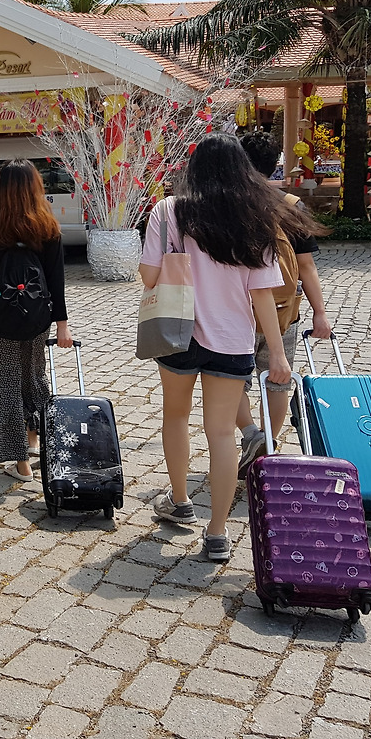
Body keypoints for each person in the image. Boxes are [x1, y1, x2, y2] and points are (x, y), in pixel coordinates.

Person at [138, 135, 319, 561]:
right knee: (221, 433)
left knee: (176, 416)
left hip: (177, 334)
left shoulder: (168, 211)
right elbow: (262, 293)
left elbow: (148, 277)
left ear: (194, 169)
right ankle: (217, 534)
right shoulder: (255, 216)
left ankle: (180, 500)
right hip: (233, 339)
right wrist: (278, 354)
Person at [0, 160, 72, 482]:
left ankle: (21, 462)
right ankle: (36, 442)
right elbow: (56, 279)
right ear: (35, 187)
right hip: (38, 317)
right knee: (33, 377)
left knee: (2, 382)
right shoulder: (47, 227)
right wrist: (62, 324)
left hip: (0, 317)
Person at [235, 131, 333, 474]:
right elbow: (306, 266)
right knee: (278, 381)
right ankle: (268, 446)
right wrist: (320, 313)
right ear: (275, 164)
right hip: (283, 312)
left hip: (236, 312)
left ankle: (251, 434)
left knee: (230, 381)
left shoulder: (230, 205)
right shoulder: (291, 206)